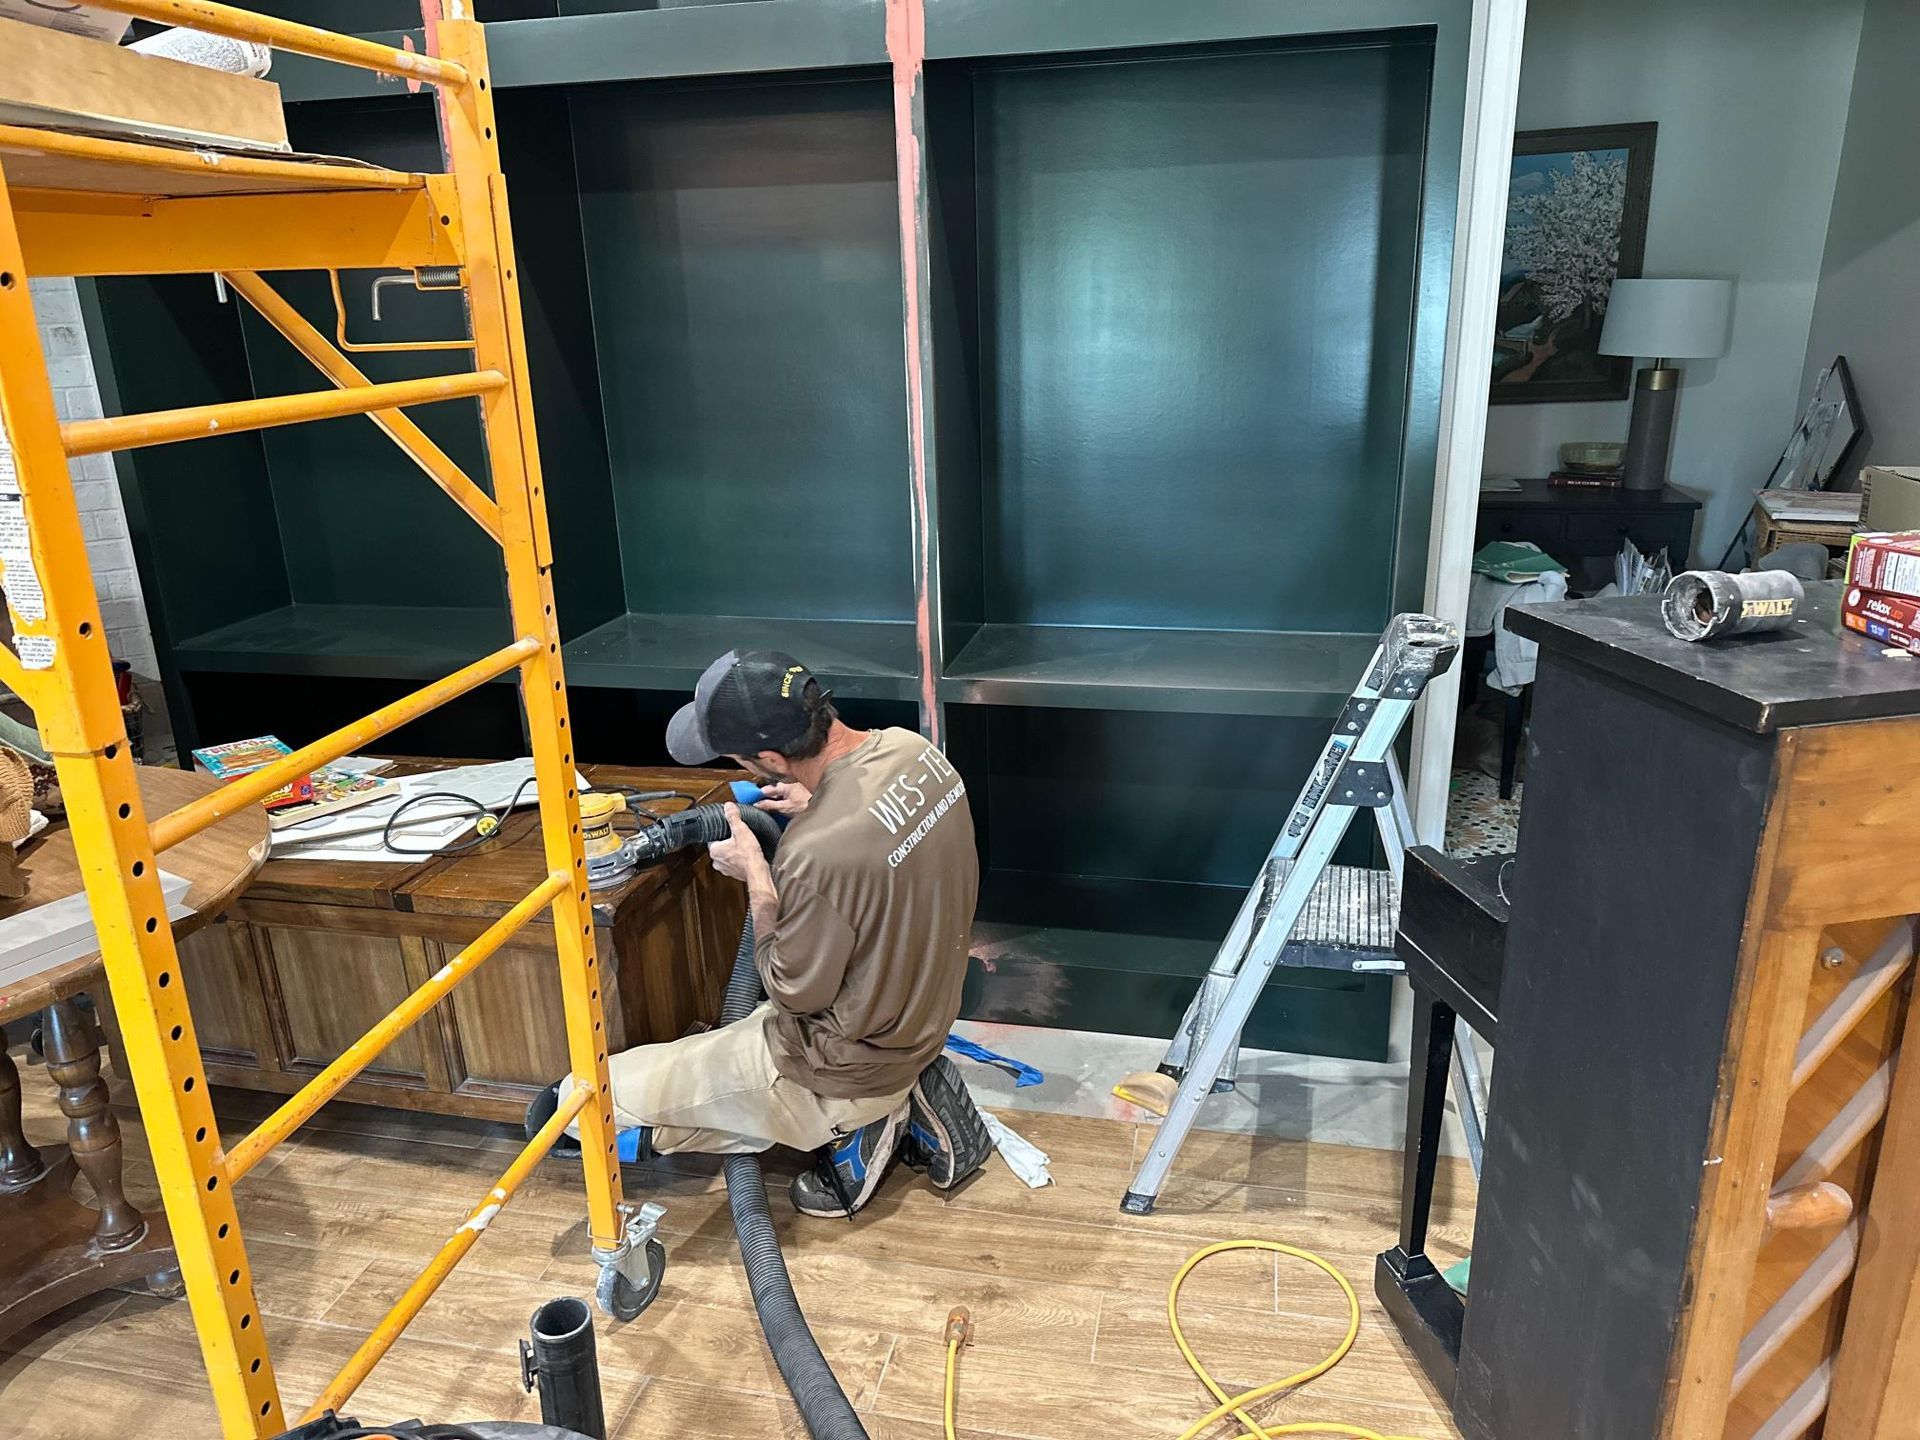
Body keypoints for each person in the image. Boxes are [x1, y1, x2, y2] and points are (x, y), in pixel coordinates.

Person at [530, 649, 990, 1216]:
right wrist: (821, 801)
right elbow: (877, 836)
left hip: (838, 1068)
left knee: (573, 1105)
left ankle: (862, 1123)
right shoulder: (914, 751)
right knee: (708, 1058)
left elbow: (793, 994)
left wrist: (757, 876)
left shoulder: (815, 853)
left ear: (770, 757)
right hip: (919, 1015)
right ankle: (887, 1097)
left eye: (738, 758)